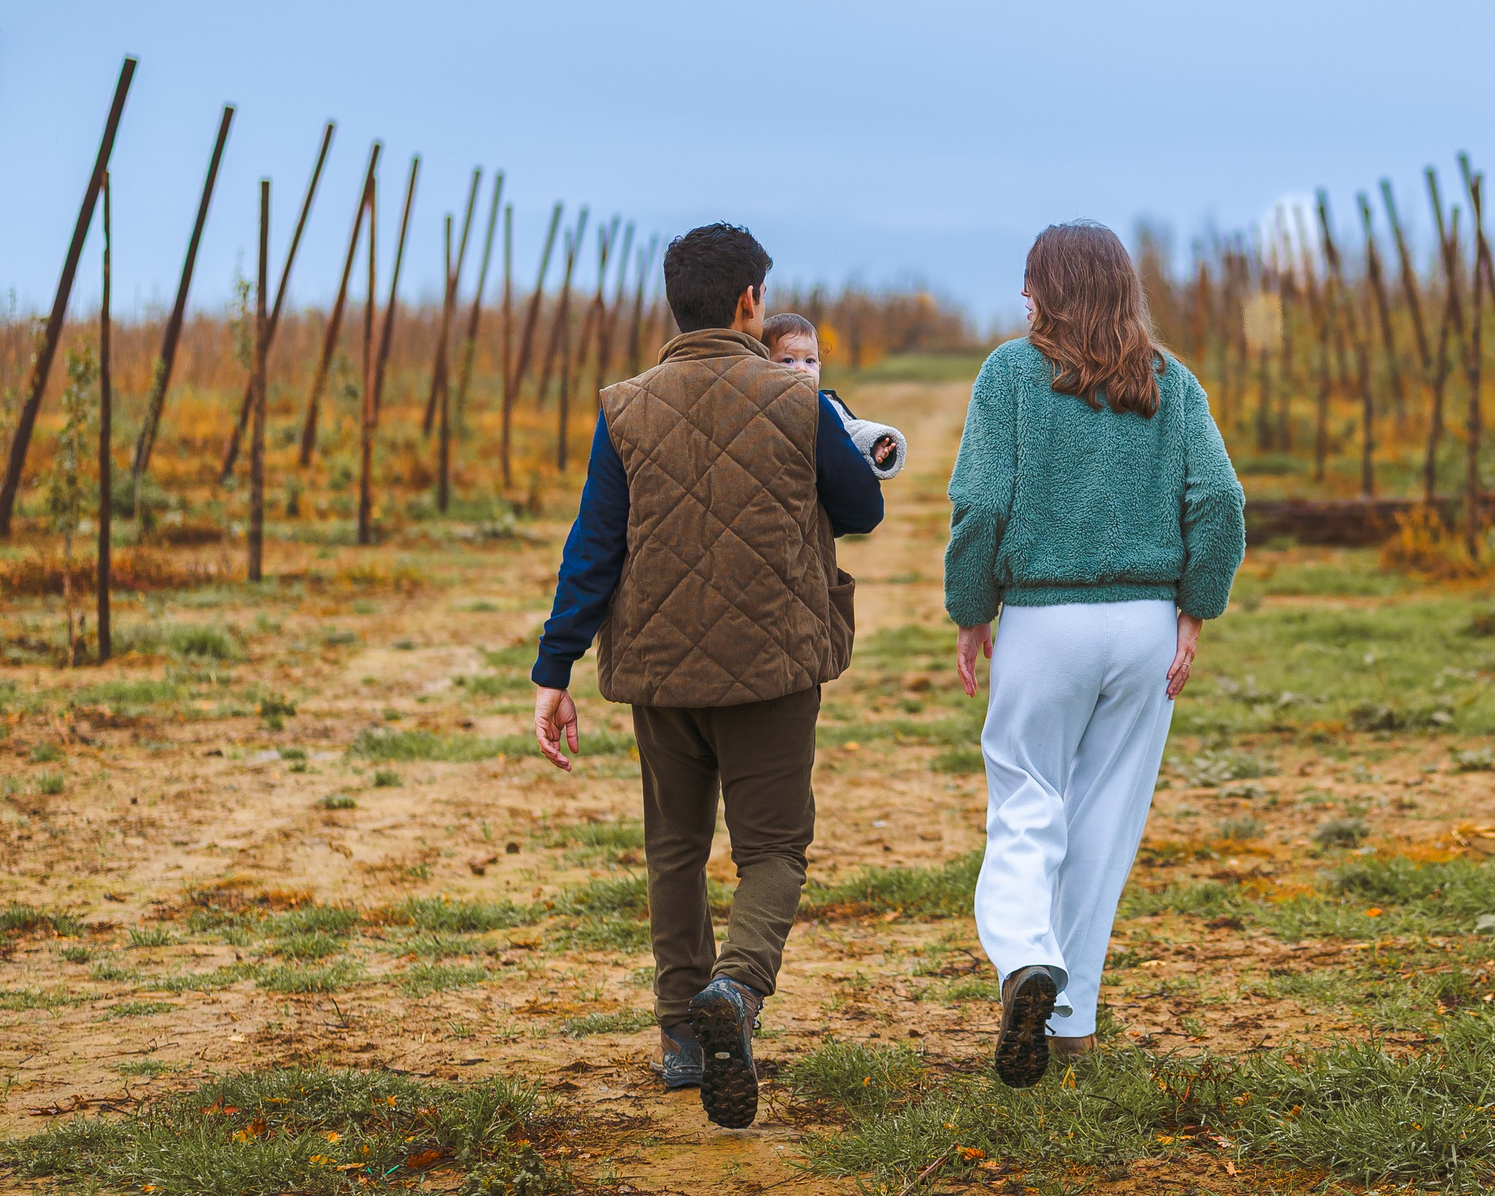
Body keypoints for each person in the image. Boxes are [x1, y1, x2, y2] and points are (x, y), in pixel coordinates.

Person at [531, 223, 883, 1130]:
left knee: (675, 849)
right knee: (773, 849)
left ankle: (683, 1037)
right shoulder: (796, 402)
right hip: (772, 670)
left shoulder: (625, 405)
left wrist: (554, 666)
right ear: (748, 304)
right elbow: (864, 506)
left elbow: (593, 545)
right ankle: (736, 986)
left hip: (660, 674)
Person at [944, 220, 1246, 1088]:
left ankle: (1025, 960)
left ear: (1048, 291)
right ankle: (1070, 1020)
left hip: (1045, 620)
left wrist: (972, 610)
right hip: (1147, 621)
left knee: (1026, 797)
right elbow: (1219, 500)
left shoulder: (1009, 373)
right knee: (1106, 820)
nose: (1023, 298)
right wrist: (1196, 608)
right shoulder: (1168, 379)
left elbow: (979, 506)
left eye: (1030, 283)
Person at [763, 312, 905, 478]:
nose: (802, 369)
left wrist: (875, 445)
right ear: (764, 365)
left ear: (819, 365)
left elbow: (853, 431)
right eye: (788, 360)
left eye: (810, 361)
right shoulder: (760, 405)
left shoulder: (827, 408)